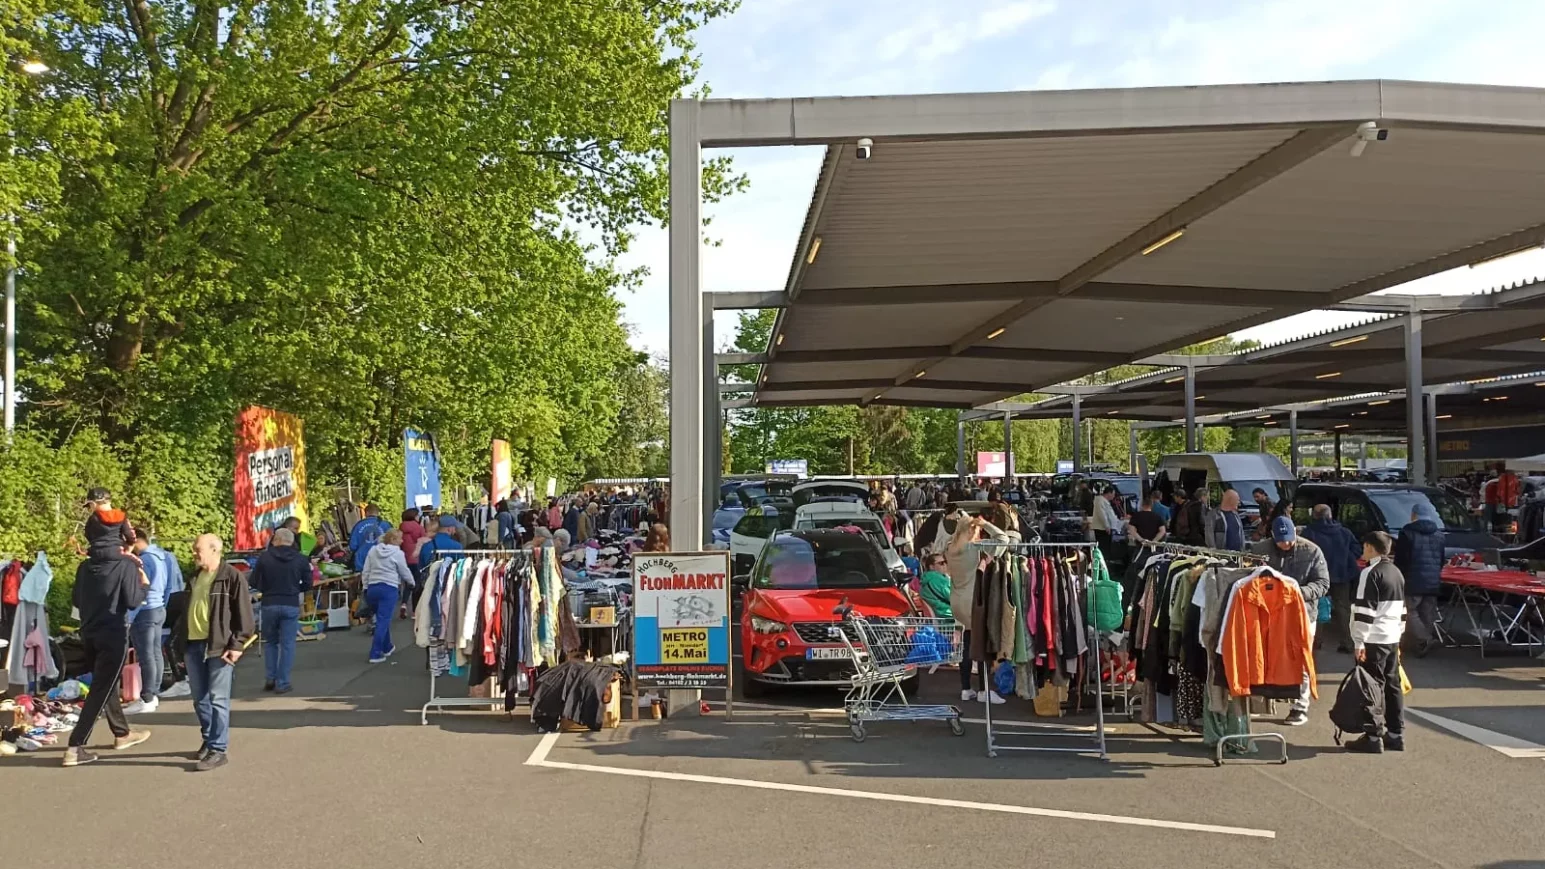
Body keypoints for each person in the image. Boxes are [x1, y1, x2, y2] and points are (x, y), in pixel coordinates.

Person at [63, 509, 151, 767]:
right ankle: (75, 746)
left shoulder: (84, 566)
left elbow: (77, 601)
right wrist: (144, 584)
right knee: (100, 690)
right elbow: (134, 601)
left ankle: (121, 733)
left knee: (106, 684)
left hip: (88, 634)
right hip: (113, 633)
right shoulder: (125, 565)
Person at [178, 533, 255, 771]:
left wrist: (237, 644)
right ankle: (209, 738)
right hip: (192, 644)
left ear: (214, 550)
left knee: (218, 699)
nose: (193, 553)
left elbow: (245, 615)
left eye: (197, 549)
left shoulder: (232, 577)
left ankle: (218, 749)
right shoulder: (194, 577)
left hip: (219, 646)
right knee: (199, 699)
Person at [1251, 516, 1329, 726]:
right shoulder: (1260, 549)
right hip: (1269, 612)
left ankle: (1300, 706)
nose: (1286, 544)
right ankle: (1262, 700)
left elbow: (1322, 583)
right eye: (1281, 540)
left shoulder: (1312, 551)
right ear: (1273, 536)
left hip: (1302, 613)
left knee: (1301, 658)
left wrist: (1296, 592)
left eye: (1289, 539)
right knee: (1264, 655)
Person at [1346, 531, 1408, 754]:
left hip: (1373, 638)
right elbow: (1402, 610)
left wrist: (1358, 642)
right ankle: (1396, 734)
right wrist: (1399, 635)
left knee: (1371, 687)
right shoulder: (1396, 572)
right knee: (1392, 686)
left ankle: (1373, 736)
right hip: (1392, 636)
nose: (1363, 551)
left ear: (1371, 547)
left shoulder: (1370, 573)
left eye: (1364, 547)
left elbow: (1364, 611)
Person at [945, 511, 1010, 704]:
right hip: (973, 600)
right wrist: (984, 524)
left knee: (967, 643)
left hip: (957, 600)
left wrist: (966, 522)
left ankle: (966, 689)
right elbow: (1003, 539)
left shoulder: (950, 548)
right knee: (980, 645)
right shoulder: (975, 548)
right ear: (973, 530)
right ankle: (984, 690)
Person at [250, 528, 314, 693]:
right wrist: (295, 588)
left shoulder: (264, 558)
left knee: (271, 642)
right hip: (290, 603)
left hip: (269, 603)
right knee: (287, 644)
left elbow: (254, 581)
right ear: (292, 542)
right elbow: (308, 584)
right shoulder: (300, 559)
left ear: (275, 540)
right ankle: (283, 682)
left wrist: (267, 589)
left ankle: (270, 678)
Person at [124, 529, 173, 714]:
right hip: (159, 608)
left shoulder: (143, 560)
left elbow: (140, 590)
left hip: (144, 612)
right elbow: (168, 586)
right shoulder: (162, 557)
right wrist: (163, 604)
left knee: (145, 656)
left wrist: (130, 616)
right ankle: (154, 692)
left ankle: (147, 697)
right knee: (155, 653)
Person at [1301, 504, 1361, 653]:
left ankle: (1315, 642)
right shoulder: (1344, 532)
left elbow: (1303, 552)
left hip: (1317, 576)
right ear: (1330, 515)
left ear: (1314, 515)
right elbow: (1357, 550)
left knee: (1317, 606)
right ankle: (1348, 642)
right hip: (1342, 575)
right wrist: (1346, 560)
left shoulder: (1309, 533)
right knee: (1343, 609)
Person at [1394, 502, 1446, 657]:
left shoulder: (1407, 533)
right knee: (1427, 612)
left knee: (1410, 611)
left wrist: (1398, 574)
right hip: (1432, 580)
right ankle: (1419, 645)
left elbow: (1402, 559)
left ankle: (1424, 639)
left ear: (1413, 515)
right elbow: (1441, 559)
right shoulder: (1439, 534)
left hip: (1412, 579)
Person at [362, 529, 414, 663]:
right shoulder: (398, 553)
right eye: (400, 539)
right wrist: (411, 582)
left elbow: (366, 570)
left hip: (373, 587)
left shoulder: (373, 550)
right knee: (383, 621)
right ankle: (375, 652)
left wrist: (365, 586)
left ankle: (387, 646)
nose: (402, 541)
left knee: (381, 619)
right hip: (389, 588)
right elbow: (404, 570)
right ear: (392, 540)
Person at [349, 504, 392, 572]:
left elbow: (352, 546)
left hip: (362, 561)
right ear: (378, 513)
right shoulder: (386, 525)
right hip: (382, 560)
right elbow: (393, 543)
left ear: (366, 513)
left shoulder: (358, 525)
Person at [1090, 486, 1123, 566]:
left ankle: (1105, 562)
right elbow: (1102, 515)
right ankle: (1103, 563)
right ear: (1109, 493)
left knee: (1106, 546)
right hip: (1101, 528)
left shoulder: (1103, 501)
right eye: (1113, 494)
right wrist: (1106, 526)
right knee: (1103, 546)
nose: (1114, 496)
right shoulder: (1100, 501)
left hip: (1105, 527)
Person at [918, 552, 952, 621]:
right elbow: (953, 598)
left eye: (945, 562)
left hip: (939, 616)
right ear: (932, 567)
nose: (945, 565)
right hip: (948, 616)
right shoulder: (937, 580)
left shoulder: (926, 579)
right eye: (941, 563)